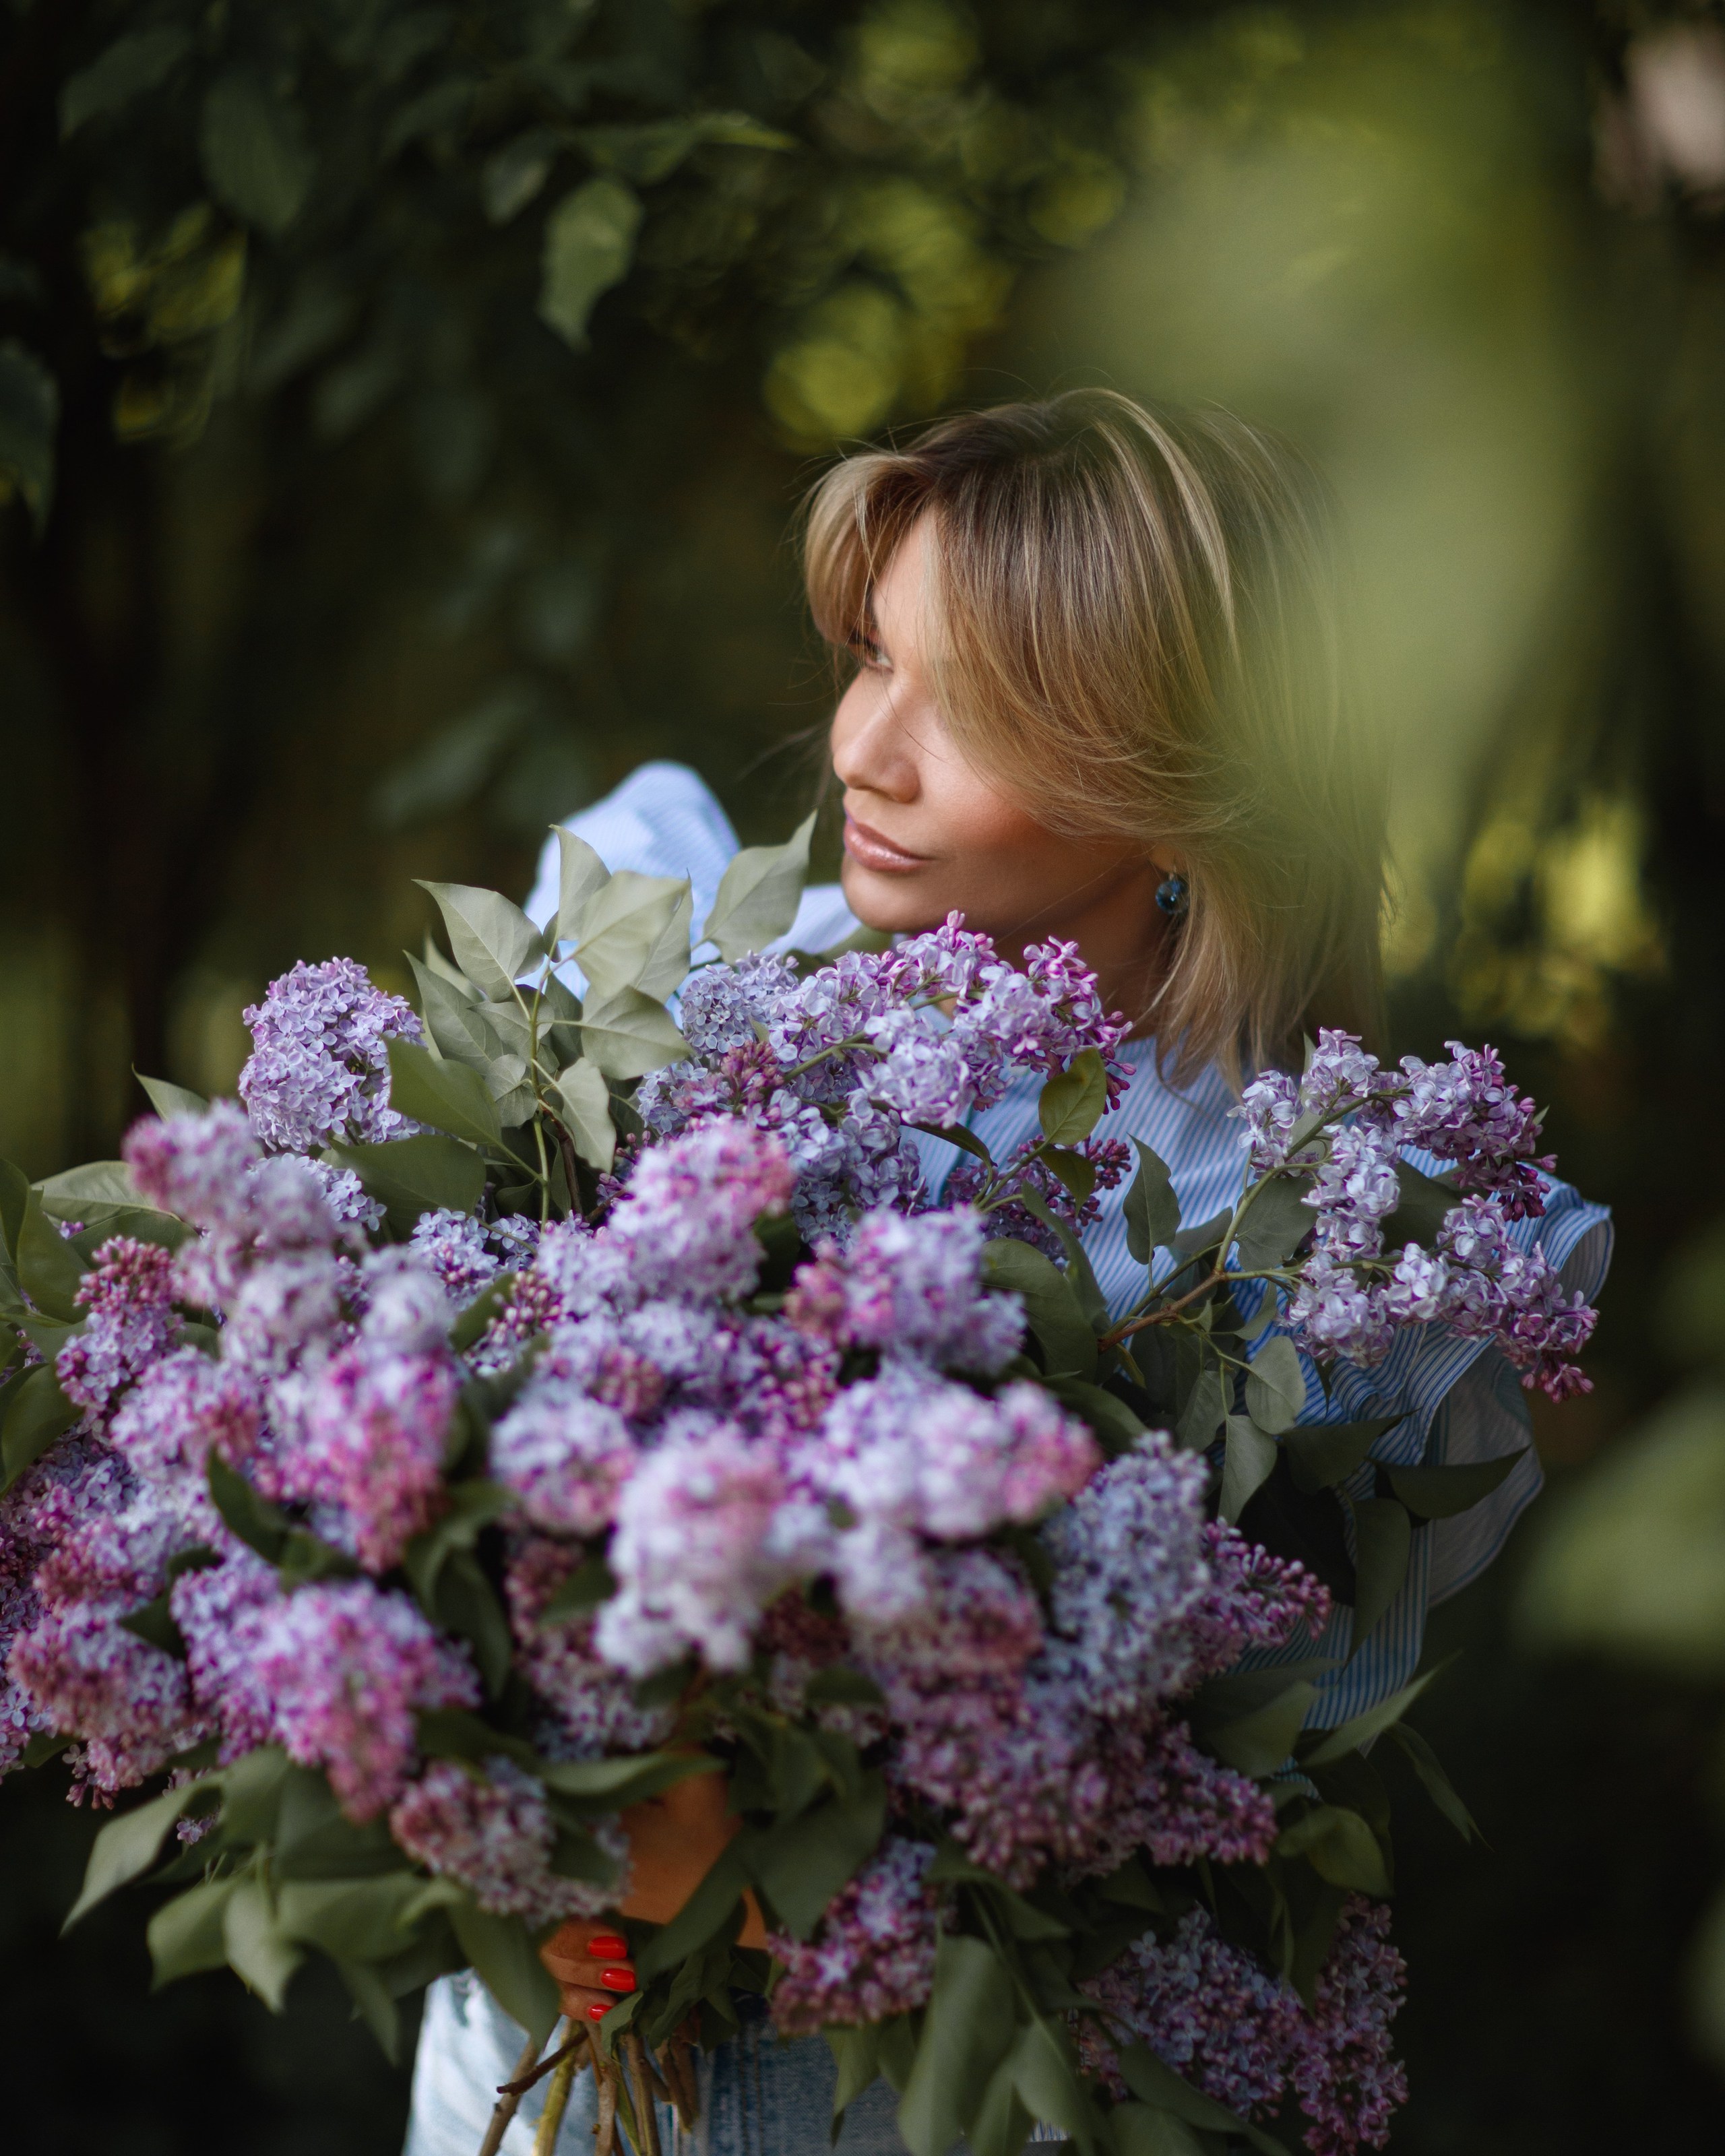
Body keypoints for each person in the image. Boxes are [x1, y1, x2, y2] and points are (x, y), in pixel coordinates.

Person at [402, 391, 1610, 2155]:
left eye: (965, 708)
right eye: (874, 659)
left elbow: (1218, 1835)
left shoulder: (1350, 1264)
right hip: (530, 2090)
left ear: (1178, 781)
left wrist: (733, 1850)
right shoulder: (681, 977)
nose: (863, 752)